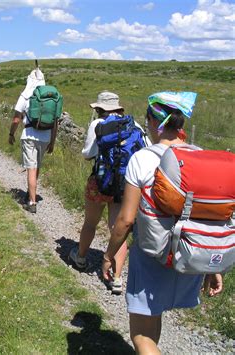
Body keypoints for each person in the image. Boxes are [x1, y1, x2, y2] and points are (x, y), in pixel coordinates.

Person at [101, 91, 223, 354]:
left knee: (141, 335)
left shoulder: (143, 159)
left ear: (155, 123)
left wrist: (110, 255)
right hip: (190, 255)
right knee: (154, 317)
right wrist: (212, 266)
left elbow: (126, 219)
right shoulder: (201, 156)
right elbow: (209, 217)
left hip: (152, 256)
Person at [69, 91, 149, 295]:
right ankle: (117, 277)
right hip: (125, 184)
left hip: (100, 182)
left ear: (99, 109)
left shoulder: (98, 125)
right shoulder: (134, 125)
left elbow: (87, 154)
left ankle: (80, 258)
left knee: (90, 222)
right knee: (118, 228)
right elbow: (145, 150)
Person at [8, 67, 58, 214]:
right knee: (36, 167)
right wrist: (52, 141)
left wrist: (11, 134)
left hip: (29, 135)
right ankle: (31, 193)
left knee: (31, 167)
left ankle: (32, 201)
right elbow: (55, 122)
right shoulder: (51, 97)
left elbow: (16, 119)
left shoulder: (25, 95)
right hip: (45, 136)